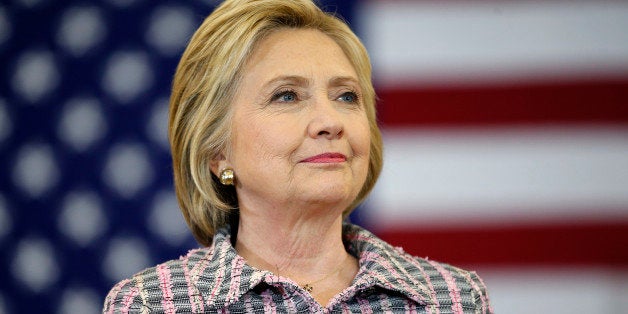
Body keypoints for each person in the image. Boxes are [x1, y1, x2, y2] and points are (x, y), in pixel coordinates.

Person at [103, 0, 492, 312]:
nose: (331, 121)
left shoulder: (452, 299)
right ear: (216, 150)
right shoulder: (153, 304)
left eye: (346, 96)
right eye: (286, 95)